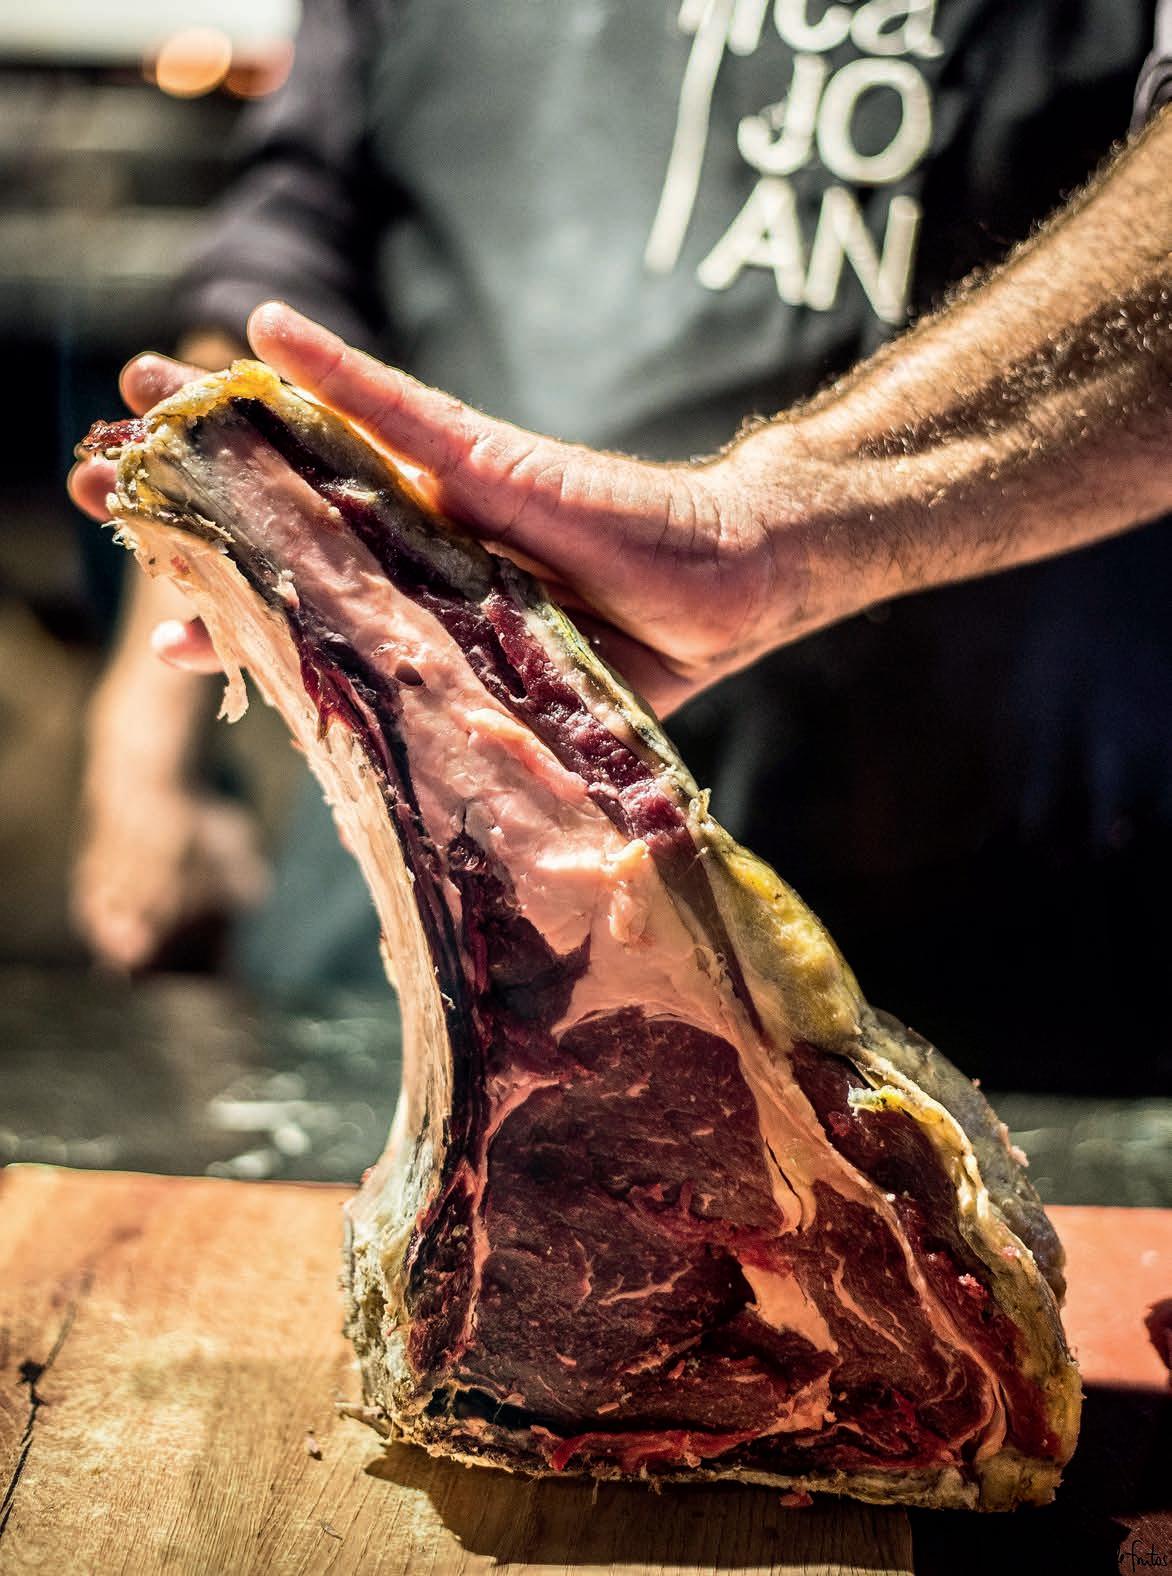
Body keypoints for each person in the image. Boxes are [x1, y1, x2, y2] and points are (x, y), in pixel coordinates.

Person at [71, 1, 1171, 1087]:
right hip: (425, 932)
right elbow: (293, 251)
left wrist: (760, 535)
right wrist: (141, 749)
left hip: (1007, 947)